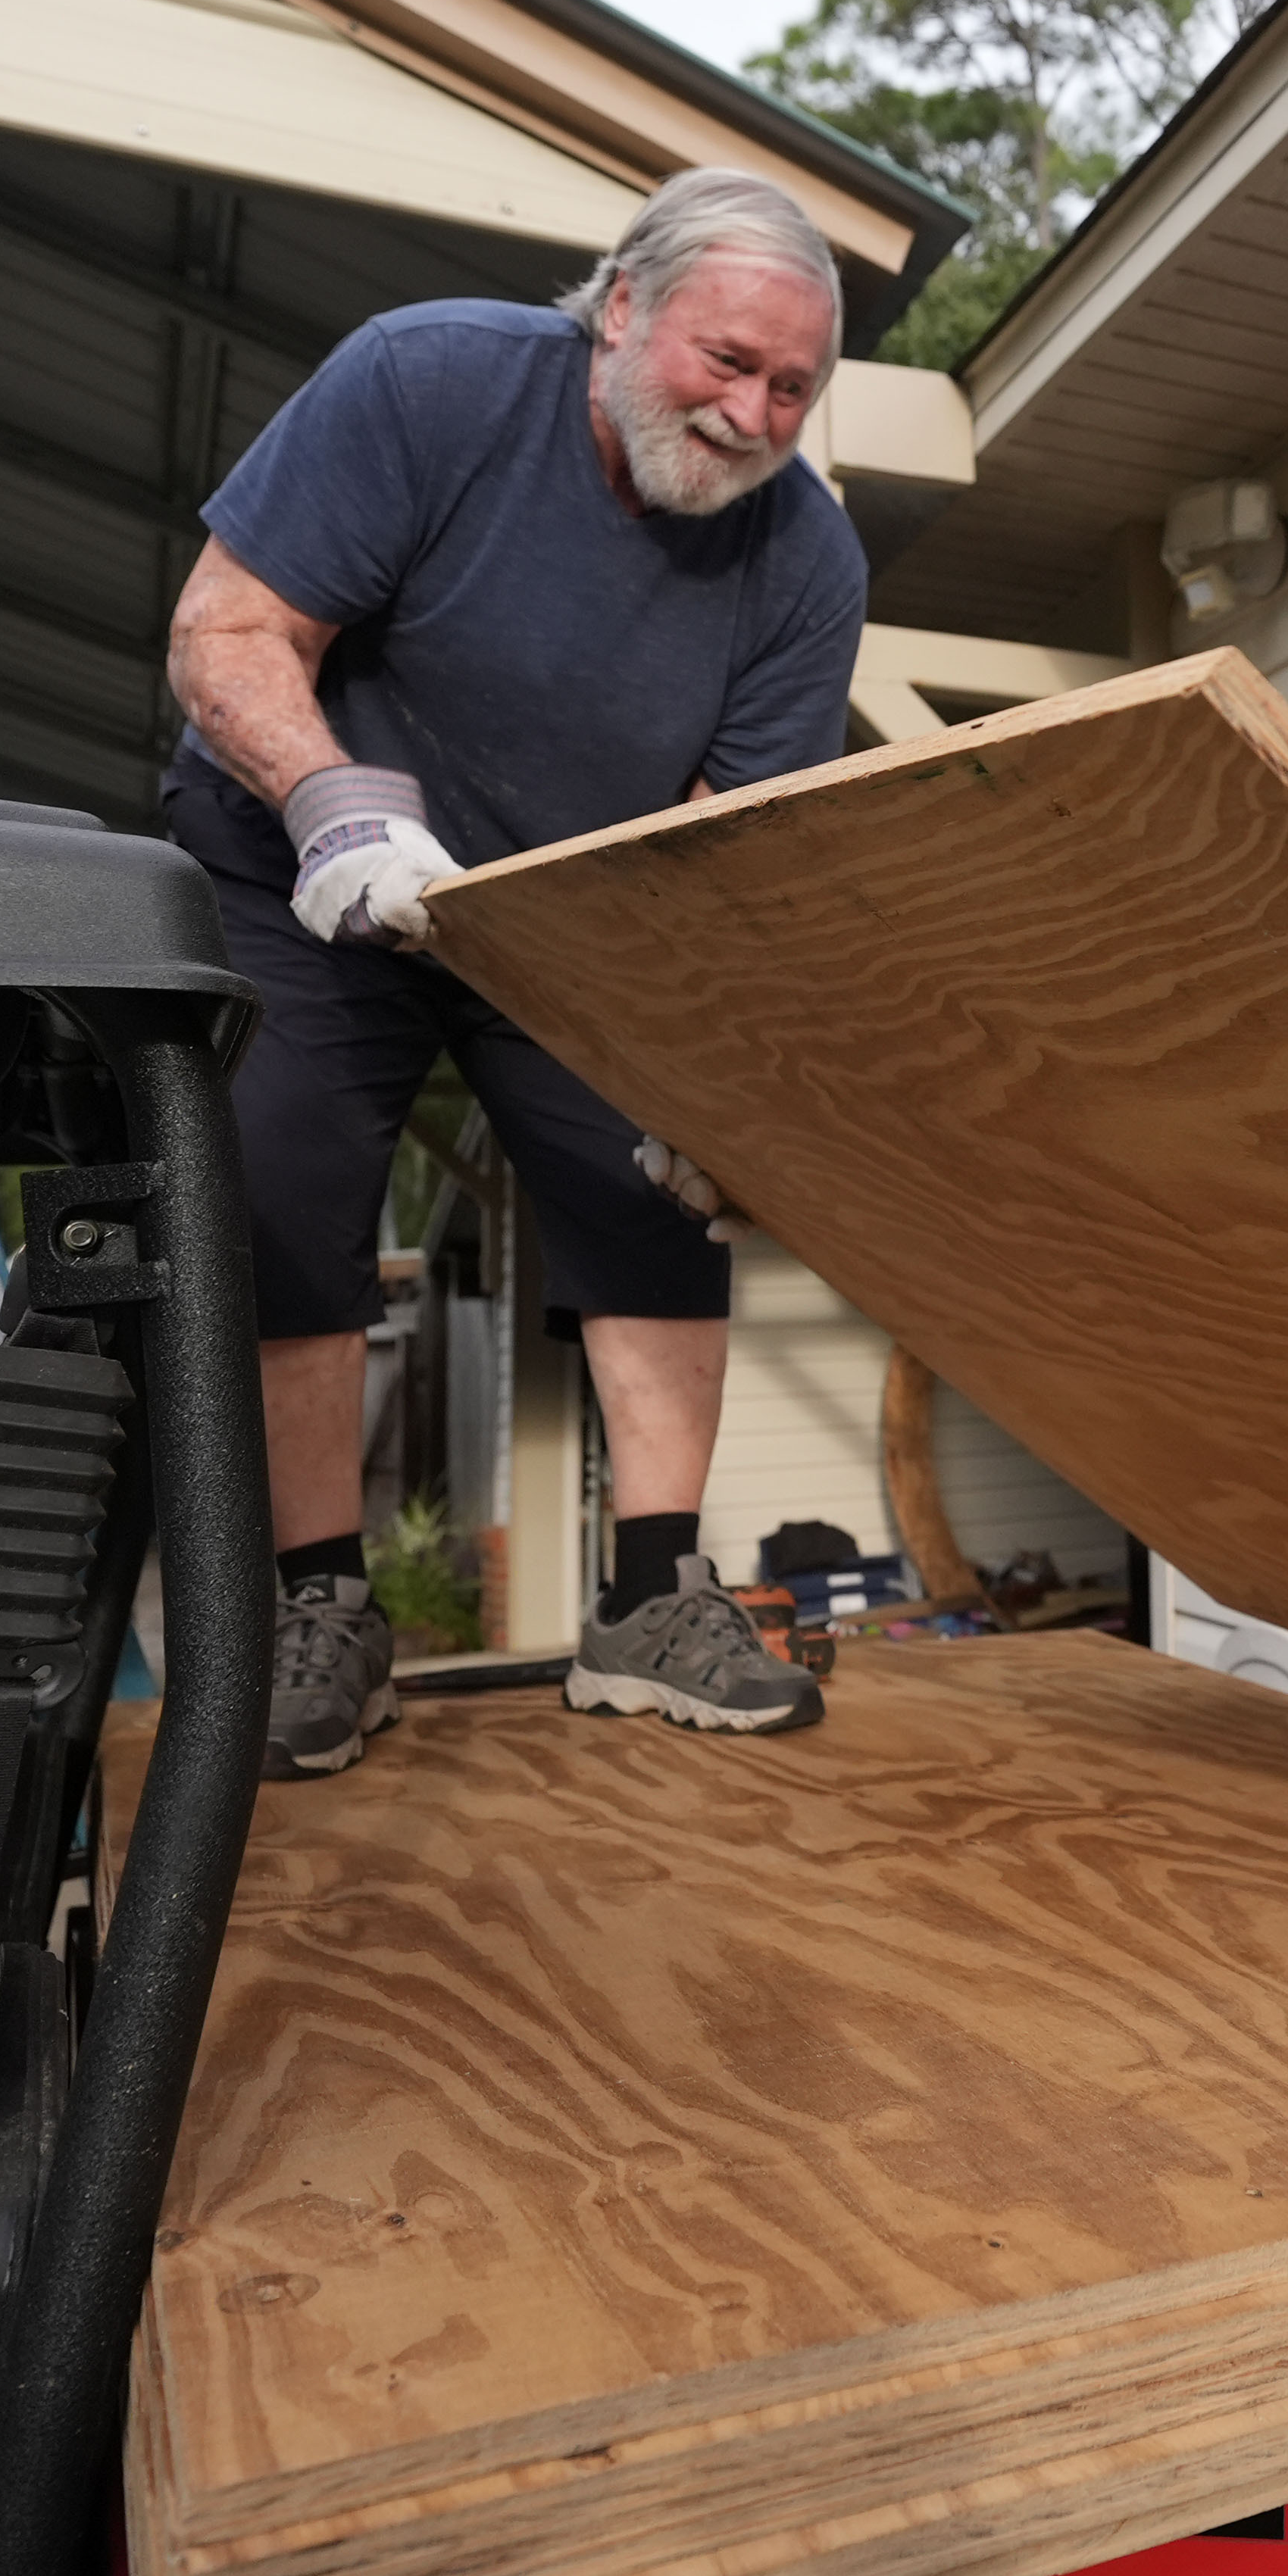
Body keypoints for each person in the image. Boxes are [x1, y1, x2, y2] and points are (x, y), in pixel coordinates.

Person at [158, 167, 861, 1776]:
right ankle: (319, 1608)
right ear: (622, 306)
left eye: (791, 388)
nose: (754, 414)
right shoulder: (431, 380)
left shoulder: (807, 566)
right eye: (726, 360)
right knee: (277, 1175)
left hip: (567, 905)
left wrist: (709, 1075)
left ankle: (652, 1599)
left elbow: (712, 851)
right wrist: (332, 800)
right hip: (305, 855)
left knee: (660, 1185)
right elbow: (227, 627)